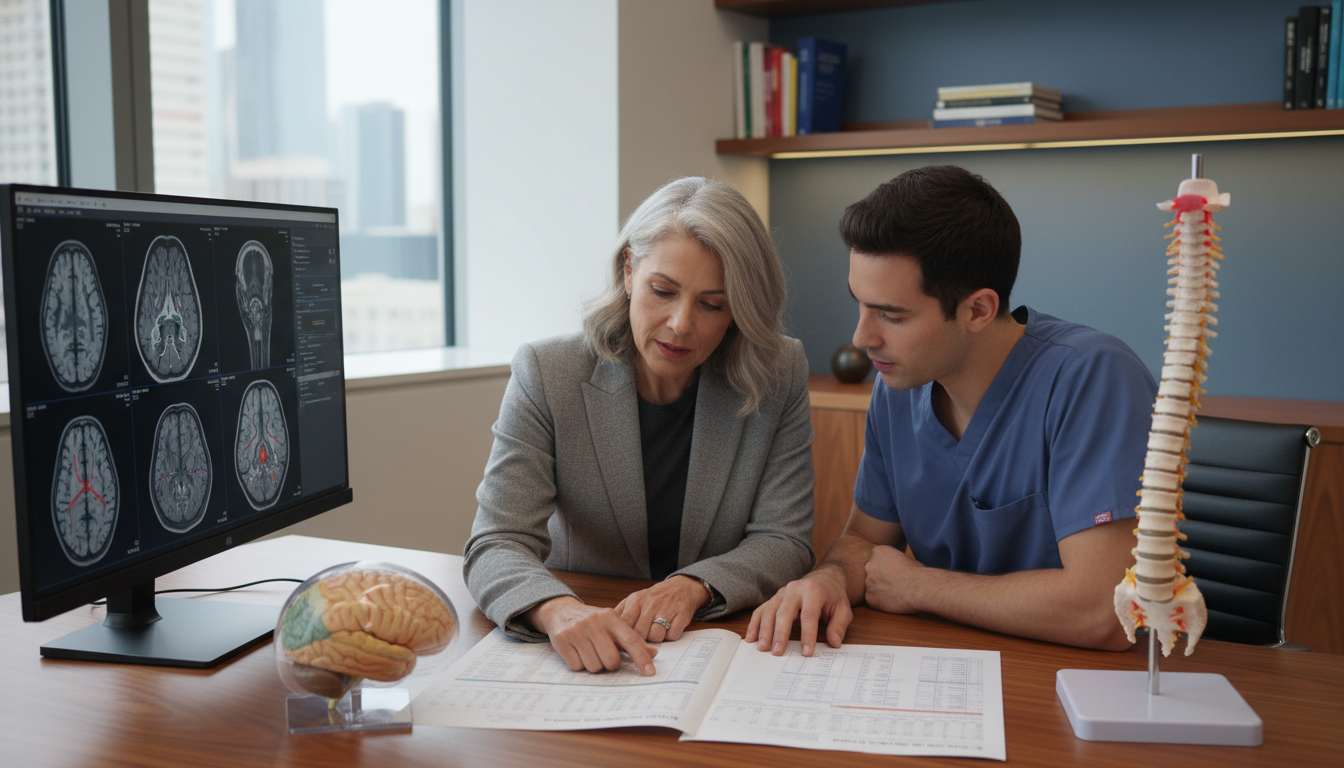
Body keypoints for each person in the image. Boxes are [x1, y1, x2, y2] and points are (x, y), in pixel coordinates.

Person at [747, 165, 1155, 656]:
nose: (861, 338)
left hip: (1075, 685)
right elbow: (864, 541)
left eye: (892, 315)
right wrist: (831, 578)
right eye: (860, 304)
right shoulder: (897, 386)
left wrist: (919, 587)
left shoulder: (1093, 378)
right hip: (950, 666)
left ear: (978, 310)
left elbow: (1107, 612)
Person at [465, 177, 815, 677]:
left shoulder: (778, 370)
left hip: (714, 642)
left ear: (738, 308)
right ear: (629, 270)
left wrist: (694, 586)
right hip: (586, 639)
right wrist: (557, 609)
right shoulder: (547, 372)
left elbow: (786, 539)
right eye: (663, 291)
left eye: (712, 304)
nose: (679, 324)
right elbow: (496, 541)